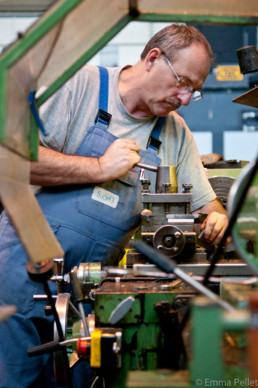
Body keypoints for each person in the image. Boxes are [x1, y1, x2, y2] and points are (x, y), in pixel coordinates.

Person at [0, 24, 228, 387]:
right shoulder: (80, 87)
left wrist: (217, 220)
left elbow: (208, 207)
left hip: (93, 293)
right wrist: (100, 168)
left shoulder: (176, 133)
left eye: (194, 92)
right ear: (154, 58)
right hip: (21, 274)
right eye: (183, 83)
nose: (185, 98)